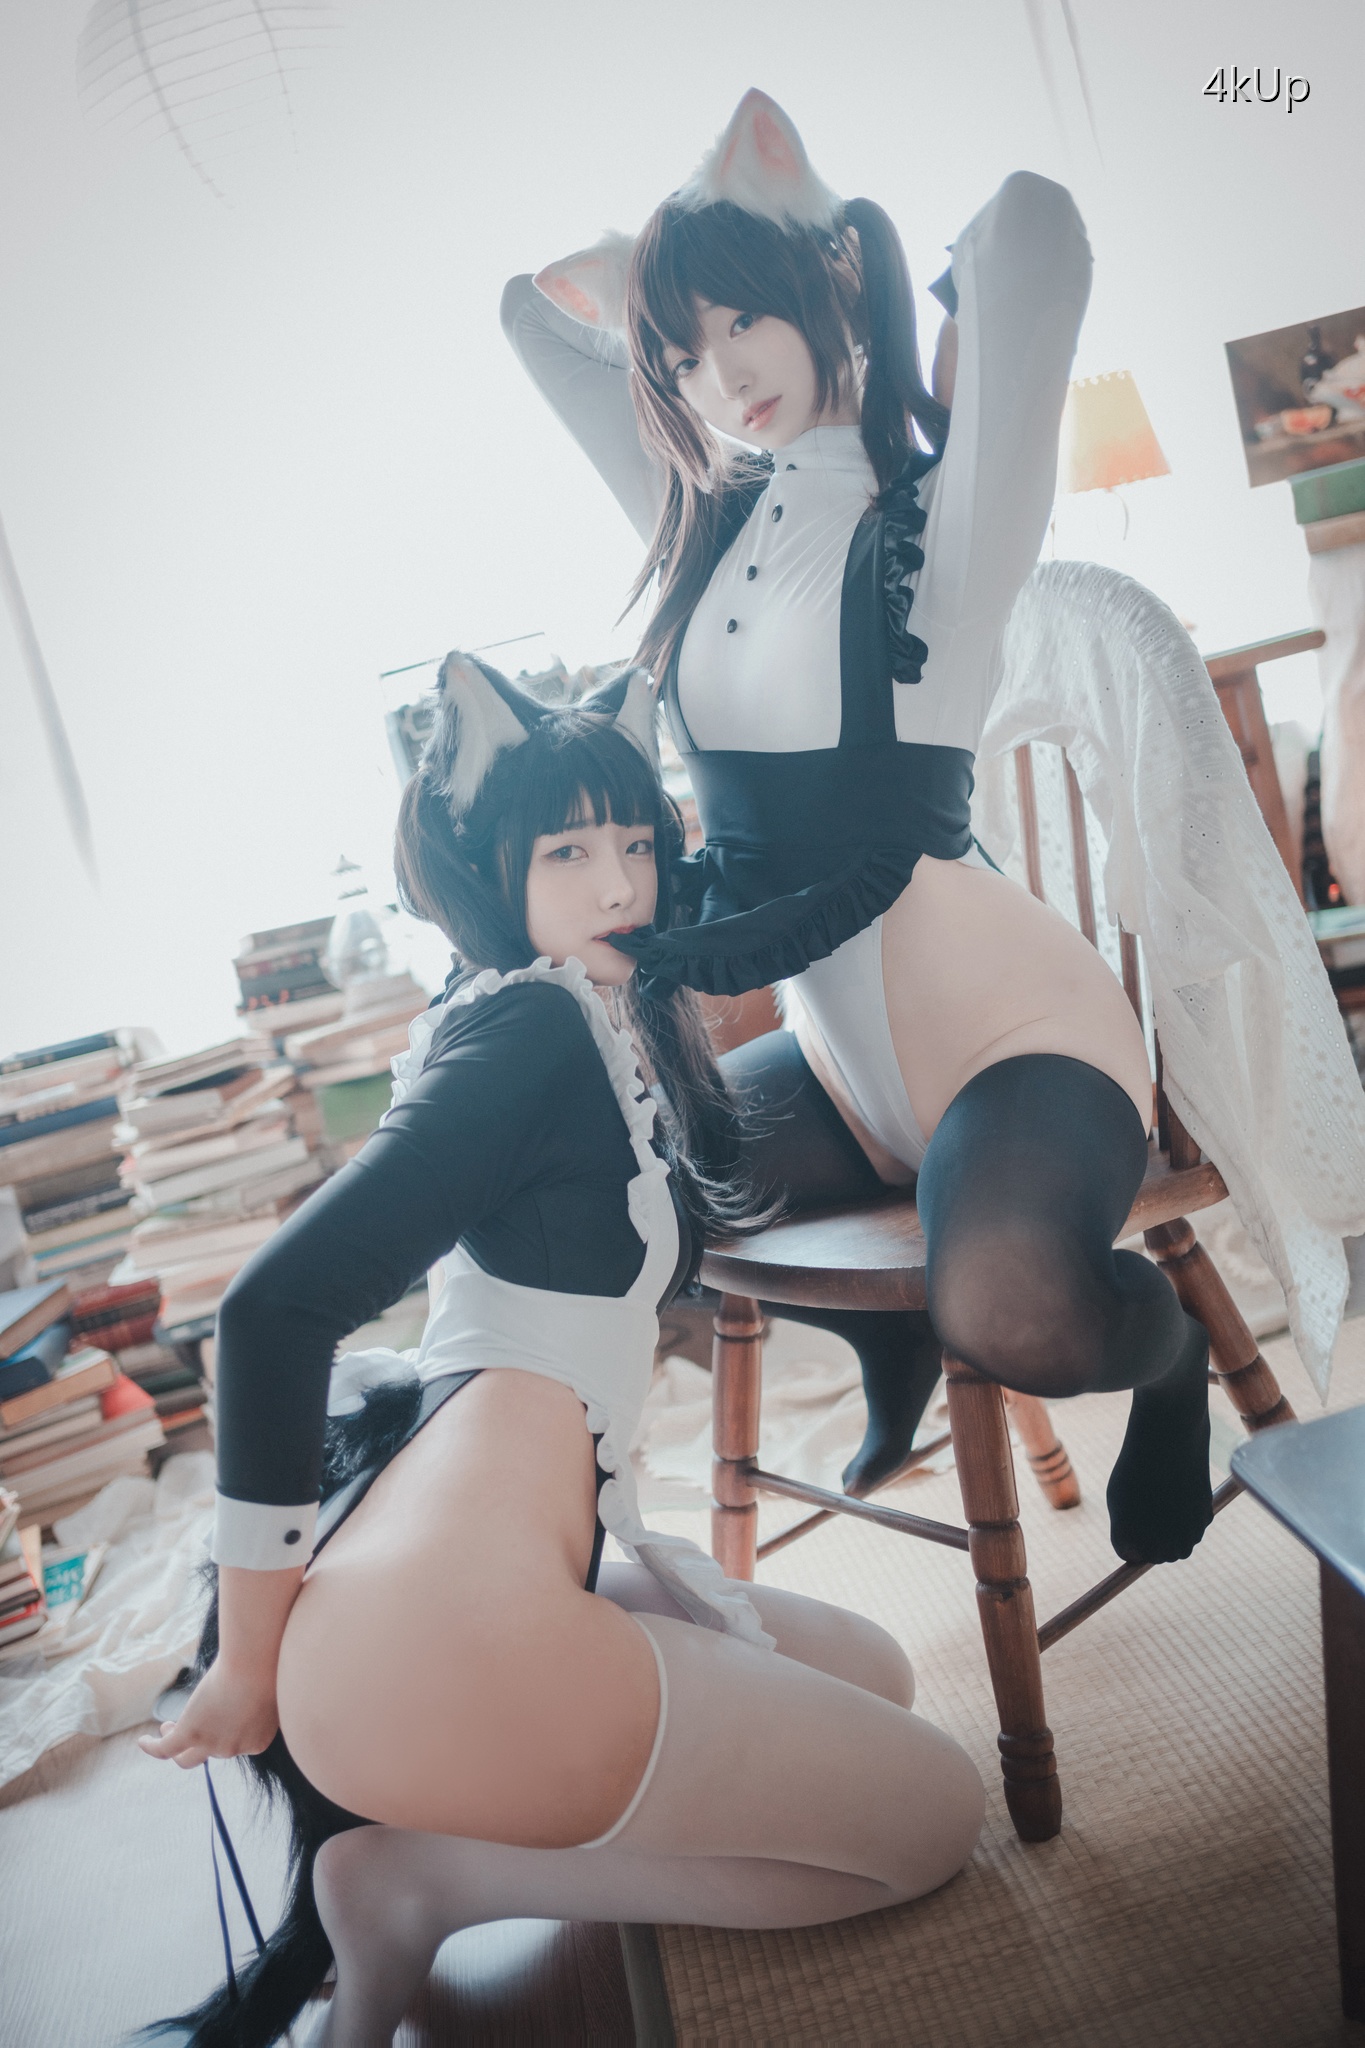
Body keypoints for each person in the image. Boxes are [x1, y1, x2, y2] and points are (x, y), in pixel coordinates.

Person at [140, 656, 984, 2048]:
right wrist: (247, 1658)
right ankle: (423, 1881)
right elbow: (268, 1312)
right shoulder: (527, 1032)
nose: (619, 886)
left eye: (636, 844)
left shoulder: (564, 1009)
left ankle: (434, 1852)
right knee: (934, 1818)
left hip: (491, 1574)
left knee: (873, 1673)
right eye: (569, 853)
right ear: (489, 868)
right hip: (448, 1638)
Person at [502, 87, 1214, 1567]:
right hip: (838, 1065)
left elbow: (1034, 230)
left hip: (1014, 1041)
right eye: (683, 355)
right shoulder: (706, 527)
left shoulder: (940, 523)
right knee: (629, 1205)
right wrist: (649, 283)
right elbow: (527, 320)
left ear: (823, 280)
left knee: (1012, 1309)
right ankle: (884, 1347)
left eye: (741, 321)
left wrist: (842, 250)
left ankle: (1167, 1352)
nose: (719, 376)